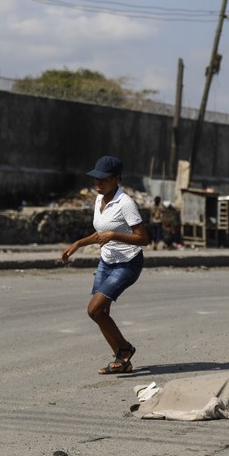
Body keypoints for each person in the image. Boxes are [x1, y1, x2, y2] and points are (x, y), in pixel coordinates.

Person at [61, 156, 150, 374]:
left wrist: (114, 235)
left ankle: (125, 350)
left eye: (103, 179)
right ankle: (122, 361)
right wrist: (79, 243)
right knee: (102, 312)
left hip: (128, 263)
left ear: (116, 179)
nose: (97, 183)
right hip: (107, 261)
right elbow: (100, 233)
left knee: (94, 310)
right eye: (95, 179)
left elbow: (144, 238)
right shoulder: (99, 200)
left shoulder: (126, 203)